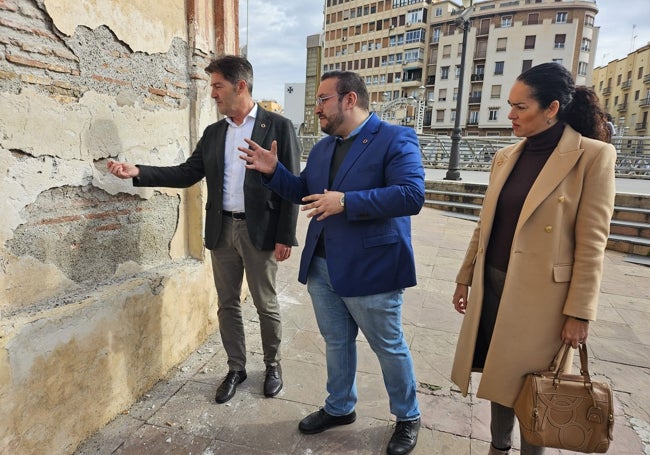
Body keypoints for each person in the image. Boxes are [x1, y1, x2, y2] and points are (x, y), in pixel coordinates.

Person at [240, 71, 424, 455]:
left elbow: (411, 196)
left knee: (388, 346)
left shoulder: (394, 138)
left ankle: (408, 416)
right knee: (336, 341)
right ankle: (340, 407)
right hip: (323, 267)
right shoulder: (324, 148)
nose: (317, 107)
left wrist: (347, 202)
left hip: (373, 266)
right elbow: (305, 193)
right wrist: (275, 172)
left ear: (350, 100)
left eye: (323, 99)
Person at [107, 55, 299, 404]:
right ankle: (236, 368)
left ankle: (273, 365)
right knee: (227, 304)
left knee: (265, 304)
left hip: (260, 231)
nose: (212, 94)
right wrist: (139, 172)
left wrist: (286, 234)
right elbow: (186, 172)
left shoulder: (278, 126)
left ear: (240, 86)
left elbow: (292, 185)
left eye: (217, 86)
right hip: (221, 229)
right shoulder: (214, 133)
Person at [450, 62, 616, 455]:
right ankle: (497, 447)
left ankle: (532, 451)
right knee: (499, 371)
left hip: (546, 298)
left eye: (520, 107)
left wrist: (580, 312)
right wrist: (465, 277)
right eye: (510, 105)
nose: (510, 115)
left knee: (536, 383)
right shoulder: (506, 156)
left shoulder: (593, 156)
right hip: (494, 282)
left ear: (552, 108)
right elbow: (485, 226)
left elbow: (593, 243)